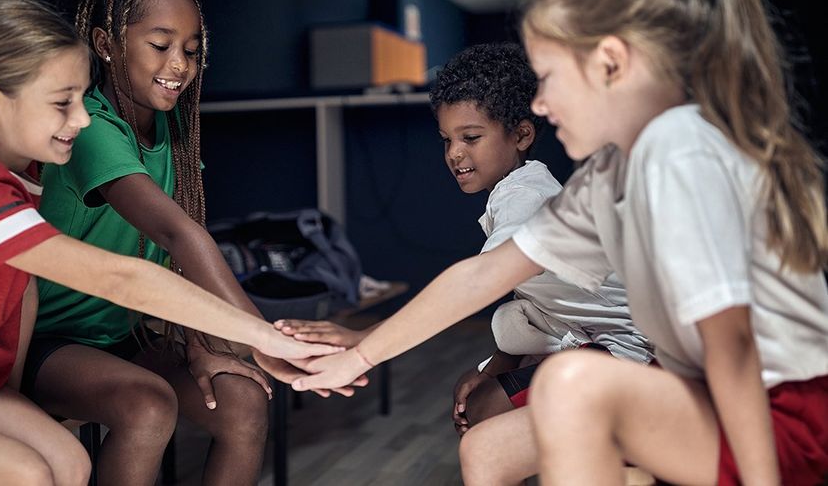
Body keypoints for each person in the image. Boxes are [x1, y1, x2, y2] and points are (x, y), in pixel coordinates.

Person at [293, 0, 828, 485]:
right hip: (697, 393)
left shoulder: (679, 149)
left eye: (548, 77)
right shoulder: (611, 173)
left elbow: (733, 347)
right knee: (491, 449)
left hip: (777, 416)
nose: (541, 104)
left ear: (610, 63)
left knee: (568, 383)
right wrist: (362, 352)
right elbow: (482, 276)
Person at [0, 0, 336, 486]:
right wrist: (264, 337)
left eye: (82, 99)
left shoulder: (17, 176)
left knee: (71, 463)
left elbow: (19, 296)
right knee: (26, 473)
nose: (82, 119)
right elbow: (122, 279)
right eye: (63, 103)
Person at [23, 0, 358, 486]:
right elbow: (177, 233)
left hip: (123, 334)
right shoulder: (89, 124)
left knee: (244, 402)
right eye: (161, 45)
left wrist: (199, 341)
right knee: (148, 407)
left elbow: (173, 258)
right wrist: (264, 338)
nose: (179, 64)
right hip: (47, 342)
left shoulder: (173, 124)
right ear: (106, 44)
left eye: (192, 50)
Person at [277, 43, 652, 435]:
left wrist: (363, 343)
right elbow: (543, 305)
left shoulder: (525, 197)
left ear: (522, 134)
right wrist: (492, 368)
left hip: (634, 355)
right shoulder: (524, 188)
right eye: (447, 139)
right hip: (600, 342)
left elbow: (476, 282)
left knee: (485, 418)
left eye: (470, 137)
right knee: (482, 404)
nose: (454, 153)